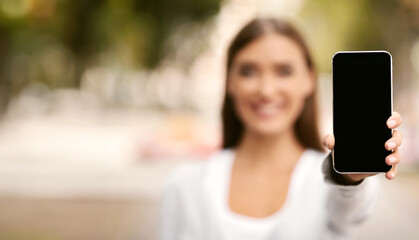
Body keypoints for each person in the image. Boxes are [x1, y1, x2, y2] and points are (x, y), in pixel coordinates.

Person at [158, 17, 403, 240]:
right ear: (229, 81)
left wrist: (349, 177)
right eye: (248, 71)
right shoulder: (185, 185)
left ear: (309, 80)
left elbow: (349, 209)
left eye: (284, 71)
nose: (266, 90)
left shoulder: (330, 182)